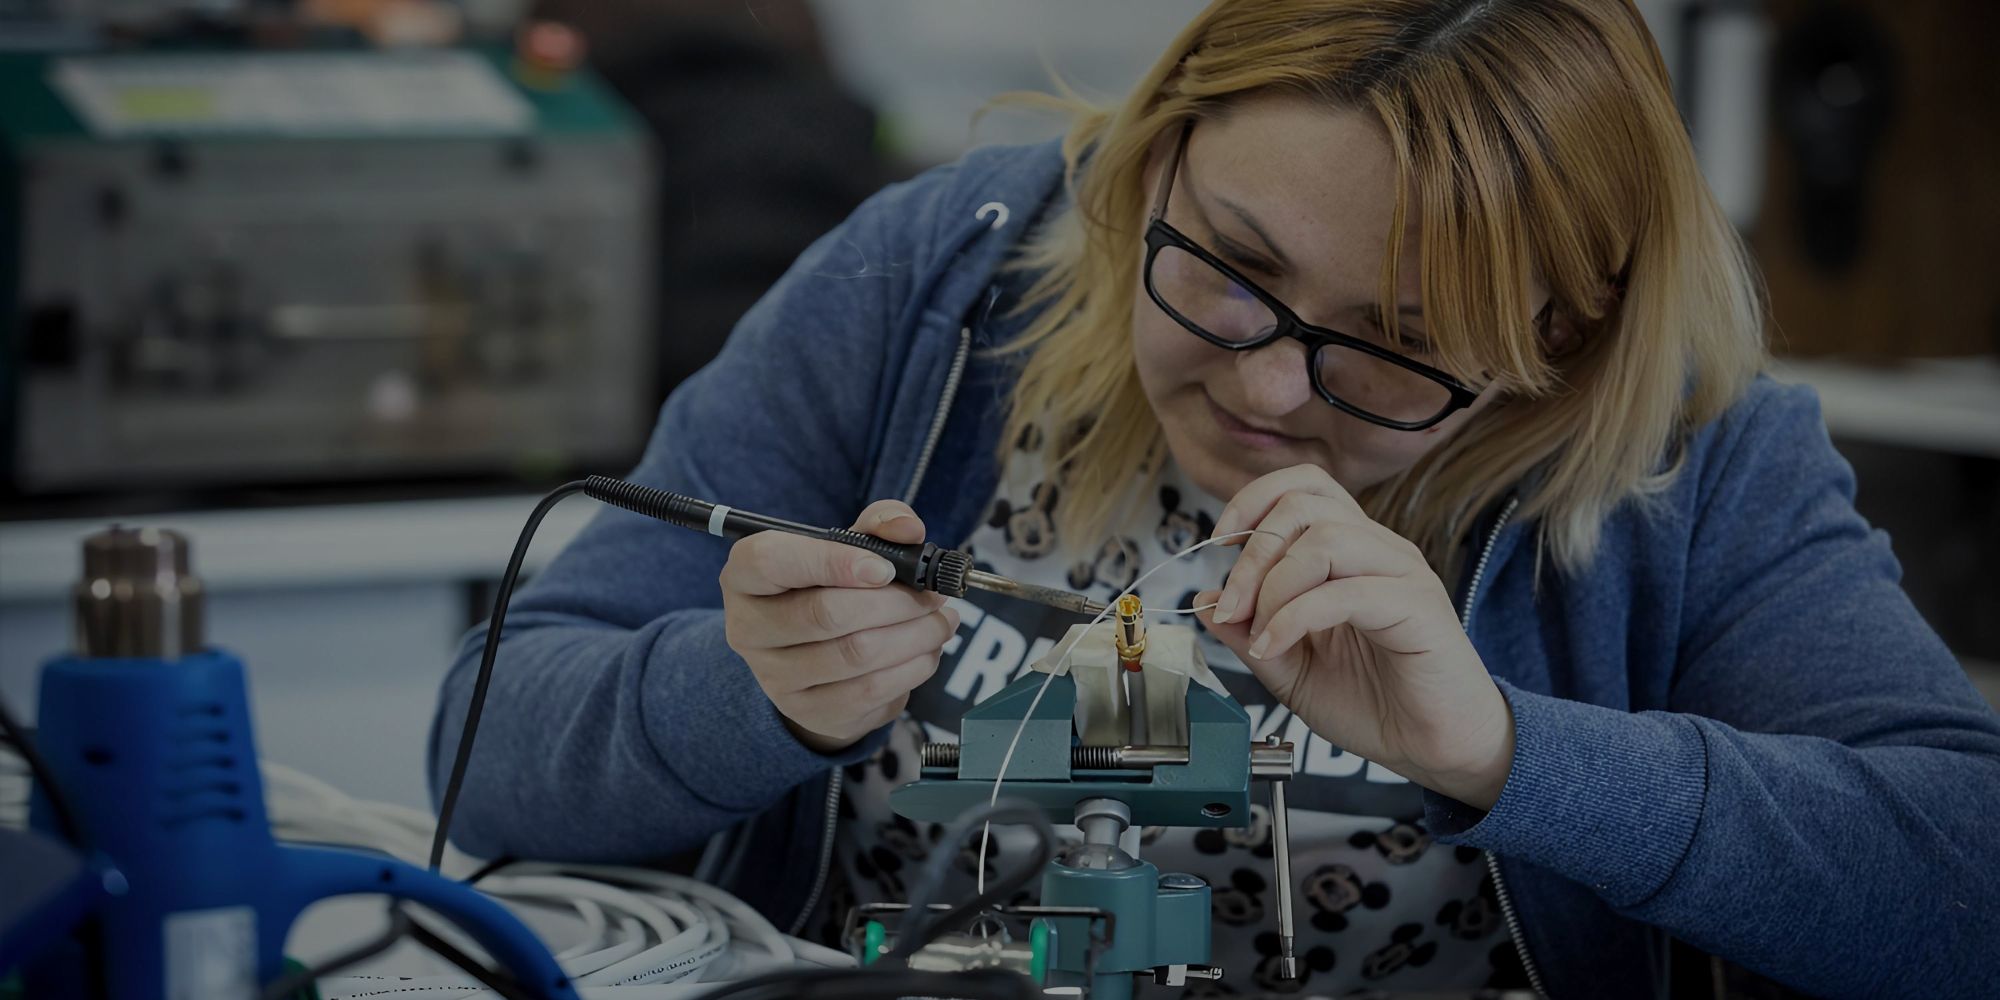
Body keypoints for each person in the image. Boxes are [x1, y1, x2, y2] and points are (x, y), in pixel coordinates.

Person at [427, 1, 2000, 995]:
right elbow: (482, 752)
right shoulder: (941, 285)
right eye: (1231, 270)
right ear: (1154, 153)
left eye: (1394, 349)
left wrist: (1508, 752)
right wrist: (745, 693)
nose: (1263, 391)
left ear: (1559, 345)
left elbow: (1963, 889)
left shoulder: (1693, 449)